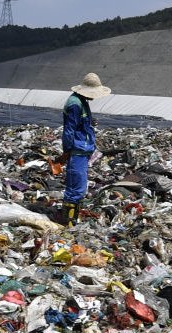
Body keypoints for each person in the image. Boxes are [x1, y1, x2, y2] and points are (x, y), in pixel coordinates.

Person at [58, 72, 111, 226]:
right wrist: (67, 151)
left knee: (78, 186)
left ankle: (71, 219)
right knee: (76, 188)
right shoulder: (75, 104)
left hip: (82, 149)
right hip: (77, 150)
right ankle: (68, 223)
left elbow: (80, 124)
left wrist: (89, 122)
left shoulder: (81, 101)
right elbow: (69, 130)